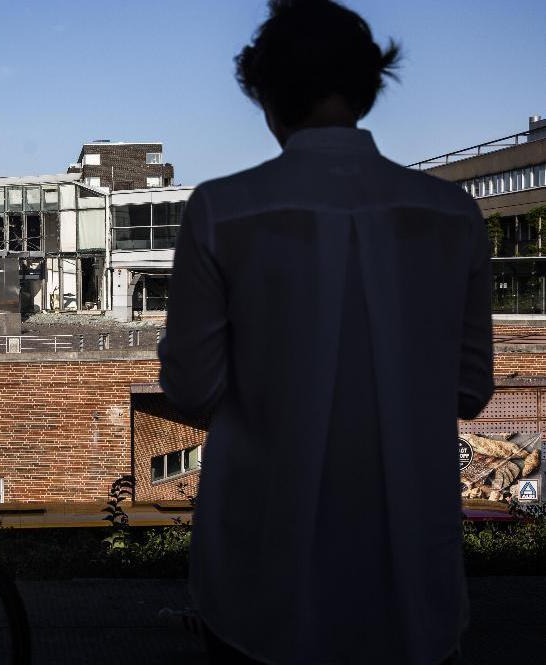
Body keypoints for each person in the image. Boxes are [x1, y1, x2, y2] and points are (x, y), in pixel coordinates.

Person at [157, 2, 493, 664]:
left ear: (267, 96)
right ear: (369, 88)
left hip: (261, 575)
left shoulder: (221, 212)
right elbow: (471, 387)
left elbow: (192, 387)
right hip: (409, 576)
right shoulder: (454, 214)